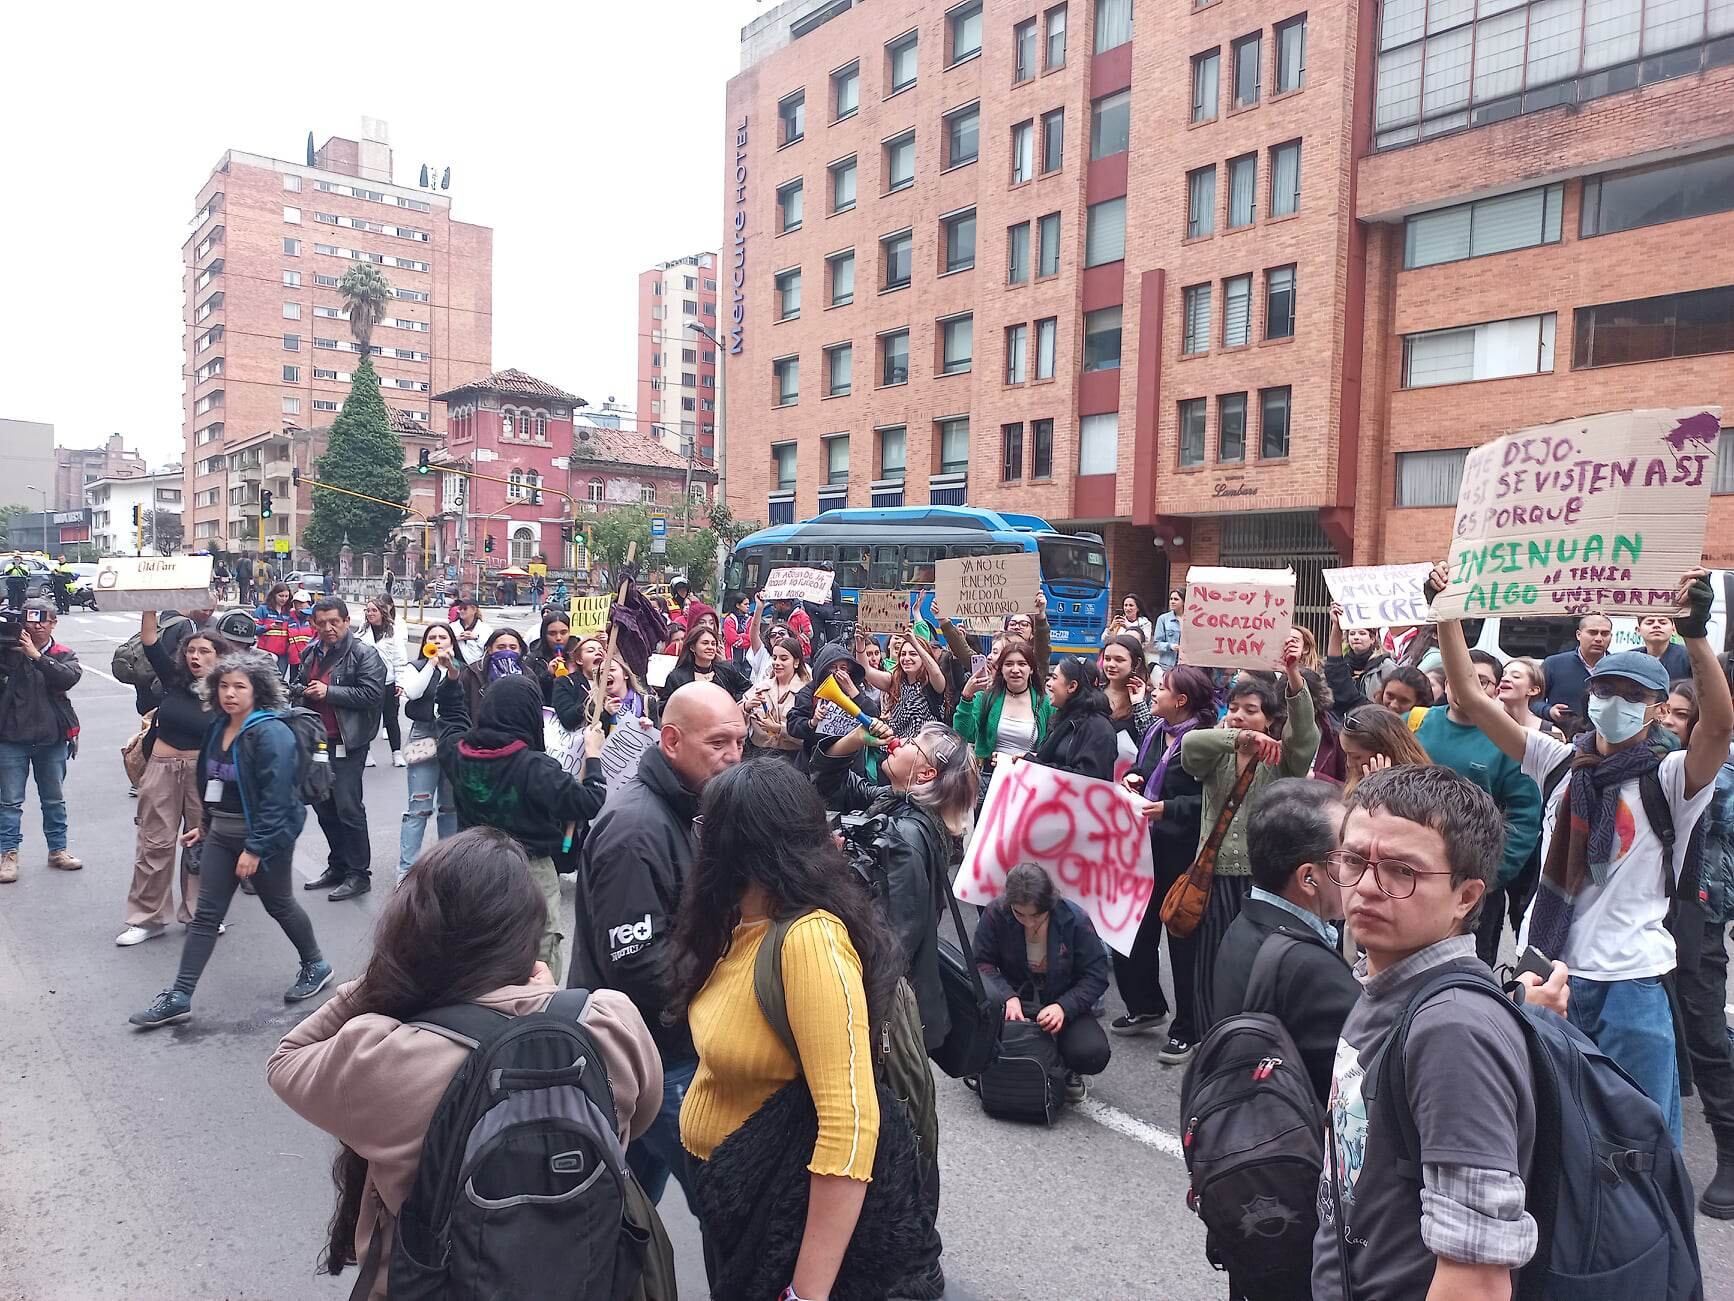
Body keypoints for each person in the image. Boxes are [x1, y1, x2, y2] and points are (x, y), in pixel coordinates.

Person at [266, 830, 661, 1299]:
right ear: (531, 932)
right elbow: (637, 1119)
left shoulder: (385, 1057)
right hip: (589, 1279)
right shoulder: (608, 1021)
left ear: (414, 935)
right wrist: (545, 1003)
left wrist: (385, 979)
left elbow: (287, 1060)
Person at [1436, 565, 1732, 1147]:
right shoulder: (1558, 762)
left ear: (1656, 709)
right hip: (1547, 975)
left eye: (1632, 696)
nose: (1614, 703)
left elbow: (1718, 728)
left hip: (1630, 985)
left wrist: (1695, 636)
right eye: (1604, 691)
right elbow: (1470, 694)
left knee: (1640, 1144)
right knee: (1552, 1138)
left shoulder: (1672, 778)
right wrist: (1447, 614)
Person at [673, 760, 910, 1301]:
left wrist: (805, 1293)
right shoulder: (740, 922)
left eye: (707, 828)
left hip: (772, 1214)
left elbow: (850, 1124)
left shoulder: (810, 941)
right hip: (731, 1198)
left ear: (738, 848)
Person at [1313, 764, 1539, 1301]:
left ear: (1467, 897)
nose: (1366, 887)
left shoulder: (1452, 1032)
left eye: (1402, 871)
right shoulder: (1385, 983)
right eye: (1354, 860)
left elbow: (1477, 1279)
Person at [811, 719, 978, 1300]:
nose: (897, 743)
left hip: (892, 1015)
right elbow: (828, 783)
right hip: (895, 1009)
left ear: (924, 771)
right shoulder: (900, 809)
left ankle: (915, 1257)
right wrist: (848, 743)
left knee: (902, 1133)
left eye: (911, 744)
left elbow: (896, 941)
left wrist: (862, 1017)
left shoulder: (905, 834)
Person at [569, 683, 747, 1214]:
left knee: (626, 1210)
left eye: (740, 742)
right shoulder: (636, 831)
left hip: (664, 1050)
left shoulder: (691, 804)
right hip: (656, 1057)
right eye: (718, 743)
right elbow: (641, 966)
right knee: (728, 1209)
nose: (734, 756)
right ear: (671, 741)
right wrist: (731, 984)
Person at [129, 652, 331, 1028]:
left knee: (279, 903)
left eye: (240, 686)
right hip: (222, 833)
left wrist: (255, 849)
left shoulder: (271, 734)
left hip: (266, 836)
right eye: (223, 686)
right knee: (207, 914)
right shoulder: (219, 727)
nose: (230, 693)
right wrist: (205, 824)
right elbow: (211, 781)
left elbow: (277, 799)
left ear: (258, 691)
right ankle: (180, 996)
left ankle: (316, 963)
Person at [1180, 630, 1318, 1034]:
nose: (1239, 715)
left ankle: (1255, 1035)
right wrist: (1238, 737)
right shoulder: (1217, 754)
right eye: (1234, 707)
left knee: (1258, 962)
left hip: (1263, 879)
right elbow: (1190, 746)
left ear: (1271, 719)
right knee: (1211, 960)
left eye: (1251, 710)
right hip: (1214, 877)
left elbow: (1305, 736)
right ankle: (1211, 1037)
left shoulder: (1282, 759)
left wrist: (1292, 674)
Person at [435, 669, 606, 976]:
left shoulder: (458, 752)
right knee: (538, 949)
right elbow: (588, 801)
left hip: (474, 864)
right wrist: (593, 756)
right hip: (530, 871)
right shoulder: (535, 767)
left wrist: (451, 682)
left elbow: (451, 719)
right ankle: (538, 1002)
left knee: (483, 943)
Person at [1211, 778, 1360, 1106]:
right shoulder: (1312, 969)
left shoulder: (1248, 918)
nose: (1360, 872)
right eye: (1350, 858)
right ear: (1308, 878)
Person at [1414, 643, 1542, 968]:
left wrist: (1492, 876)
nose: (1465, 686)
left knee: (1467, 969)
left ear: (1496, 689)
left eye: (1479, 681)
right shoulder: (1414, 723)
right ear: (1446, 683)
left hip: (1476, 888)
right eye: (1458, 677)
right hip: (1412, 876)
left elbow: (1524, 819)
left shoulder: (1512, 741)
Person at [1115, 666, 1214, 1057]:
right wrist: (1134, 778)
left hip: (1181, 855)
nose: (1153, 693)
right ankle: (1146, 1006)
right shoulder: (1156, 731)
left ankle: (1188, 1027)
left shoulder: (1204, 742)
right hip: (1143, 849)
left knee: (1181, 943)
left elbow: (1211, 800)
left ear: (1181, 700)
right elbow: (1145, 770)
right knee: (1134, 933)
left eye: (1162, 689)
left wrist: (1169, 809)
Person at [116, 612, 227, 945]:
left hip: (204, 773)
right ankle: (147, 918)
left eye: (204, 651)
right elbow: (150, 641)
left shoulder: (229, 689)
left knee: (202, 844)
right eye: (191, 650)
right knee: (154, 842)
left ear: (220, 656)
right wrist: (150, 603)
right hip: (161, 768)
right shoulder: (175, 678)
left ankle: (201, 915)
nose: (196, 657)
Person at [974, 862, 1112, 1101]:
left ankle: (1067, 1068)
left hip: (1062, 997)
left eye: (1036, 915)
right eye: (1019, 914)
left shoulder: (1075, 919)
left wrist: (1064, 1007)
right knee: (973, 1037)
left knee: (1092, 1053)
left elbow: (1096, 974)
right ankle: (1002, 1069)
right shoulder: (996, 913)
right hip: (1017, 997)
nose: (1028, 922)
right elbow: (981, 962)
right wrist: (1007, 996)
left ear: (1050, 904)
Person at [293, 597, 386, 902]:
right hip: (316, 742)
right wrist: (299, 692)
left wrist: (329, 692)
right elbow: (298, 682)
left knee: (348, 808)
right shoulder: (311, 651)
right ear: (313, 624)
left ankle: (359, 874)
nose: (328, 628)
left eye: (334, 621)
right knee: (324, 806)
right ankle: (338, 865)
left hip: (348, 742)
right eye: (321, 623)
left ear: (347, 621)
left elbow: (372, 694)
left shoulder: (364, 654)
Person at [0, 600, 81, 883]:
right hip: (11, 738)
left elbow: (67, 678)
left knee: (54, 799)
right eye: (30, 619)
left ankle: (58, 850)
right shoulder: (7, 652)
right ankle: (8, 855)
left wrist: (36, 656)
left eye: (42, 620)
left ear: (53, 623)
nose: (36, 625)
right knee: (10, 802)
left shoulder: (63, 653)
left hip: (52, 738)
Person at [396, 622, 459, 881]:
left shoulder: (460, 668)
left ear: (452, 642)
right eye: (432, 637)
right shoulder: (417, 667)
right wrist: (432, 664)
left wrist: (450, 667)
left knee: (450, 807)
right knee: (419, 807)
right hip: (424, 735)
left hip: (453, 735)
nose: (438, 640)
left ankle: (449, 866)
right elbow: (413, 692)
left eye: (443, 637)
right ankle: (406, 870)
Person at [954, 638, 1051, 800]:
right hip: (990, 781)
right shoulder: (986, 697)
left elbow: (1054, 745)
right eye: (1009, 664)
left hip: (1030, 783)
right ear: (1000, 669)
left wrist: (1034, 758)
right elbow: (963, 734)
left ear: (1031, 669)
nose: (1015, 670)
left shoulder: (1044, 702)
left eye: (1022, 664)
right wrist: (967, 697)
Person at [1032, 655, 1118, 781]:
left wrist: (1034, 765)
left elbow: (1086, 779)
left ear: (1072, 686)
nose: (1049, 684)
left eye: (1054, 678)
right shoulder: (1063, 718)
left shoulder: (1099, 729)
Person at [862, 625, 948, 740]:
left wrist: (913, 641)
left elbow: (936, 673)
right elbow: (865, 670)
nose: (906, 658)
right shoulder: (895, 681)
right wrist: (860, 642)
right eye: (903, 654)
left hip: (925, 748)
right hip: (896, 747)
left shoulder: (933, 683)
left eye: (913, 654)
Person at [1338, 703, 1432, 798]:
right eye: (1346, 754)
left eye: (1356, 757)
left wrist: (1379, 789)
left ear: (1385, 753)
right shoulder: (1357, 776)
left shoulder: (1421, 789)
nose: (1349, 764)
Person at [1539, 613, 1614, 728]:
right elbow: (1532, 700)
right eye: (1592, 632)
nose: (1599, 639)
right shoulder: (1553, 664)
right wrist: (1549, 711)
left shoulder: (1618, 668)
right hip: (1563, 735)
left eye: (1605, 634)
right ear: (1578, 635)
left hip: (1606, 735)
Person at [1323, 603, 1397, 721]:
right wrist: (1336, 625)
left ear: (1372, 639)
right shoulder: (1343, 665)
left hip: (1375, 721)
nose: (1356, 637)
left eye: (1362, 633)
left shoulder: (1387, 666)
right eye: (1352, 634)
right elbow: (1334, 667)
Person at [742, 635, 809, 760]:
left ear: (796, 662)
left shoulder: (806, 691)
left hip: (794, 758)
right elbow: (734, 719)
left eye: (783, 659)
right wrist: (746, 707)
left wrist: (779, 729)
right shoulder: (760, 688)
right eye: (774, 658)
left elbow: (810, 731)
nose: (777, 663)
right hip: (759, 756)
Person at [358, 595, 405, 769]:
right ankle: (367, 752)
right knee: (368, 719)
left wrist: (400, 682)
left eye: (374, 610)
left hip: (388, 682)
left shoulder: (393, 632)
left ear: (382, 613)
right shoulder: (362, 632)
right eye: (368, 610)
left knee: (391, 719)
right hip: (368, 683)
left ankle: (397, 753)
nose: (370, 613)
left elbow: (400, 659)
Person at [659, 625, 750, 706]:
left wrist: (732, 704)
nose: (710, 647)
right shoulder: (677, 677)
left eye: (713, 644)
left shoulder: (727, 670)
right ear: (692, 647)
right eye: (705, 643)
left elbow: (748, 689)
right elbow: (665, 706)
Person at [1100, 633, 1154, 744]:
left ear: (1136, 663)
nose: (1111, 664)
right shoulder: (1094, 691)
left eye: (1119, 660)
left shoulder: (1148, 699)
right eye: (1107, 659)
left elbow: (1151, 738)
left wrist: (1138, 704)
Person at [522, 609, 573, 707]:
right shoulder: (533, 658)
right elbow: (528, 691)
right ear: (544, 635)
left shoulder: (578, 655)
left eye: (563, 633)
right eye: (552, 633)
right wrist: (547, 675)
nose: (558, 638)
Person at [1499, 655, 1557, 737]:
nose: (1504, 679)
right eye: (1502, 675)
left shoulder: (1551, 732)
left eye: (1516, 676)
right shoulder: (1485, 724)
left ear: (1533, 690)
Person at [254, 583, 297, 678]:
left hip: (283, 655)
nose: (284, 599)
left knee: (279, 680)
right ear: (274, 595)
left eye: (286, 596)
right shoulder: (262, 610)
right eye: (281, 596)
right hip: (266, 653)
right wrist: (269, 626)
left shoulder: (289, 612)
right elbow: (254, 629)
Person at [1640, 613, 1692, 682]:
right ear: (1638, 630)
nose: (1656, 625)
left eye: (1663, 623)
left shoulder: (1689, 656)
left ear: (1673, 630)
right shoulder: (1630, 658)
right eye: (1649, 623)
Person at [448, 596, 493, 668]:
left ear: (474, 610)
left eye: (465, 608)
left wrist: (476, 638)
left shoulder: (485, 628)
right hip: (457, 666)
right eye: (460, 609)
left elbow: (490, 647)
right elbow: (444, 644)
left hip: (478, 667)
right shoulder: (452, 627)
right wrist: (455, 639)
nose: (462, 611)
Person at [1153, 589, 1183, 675]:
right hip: (1167, 665)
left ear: (1184, 602)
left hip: (1186, 665)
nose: (1172, 602)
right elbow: (1157, 643)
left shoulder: (1191, 620)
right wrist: (1171, 646)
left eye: (1176, 599)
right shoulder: (1163, 619)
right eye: (1171, 599)